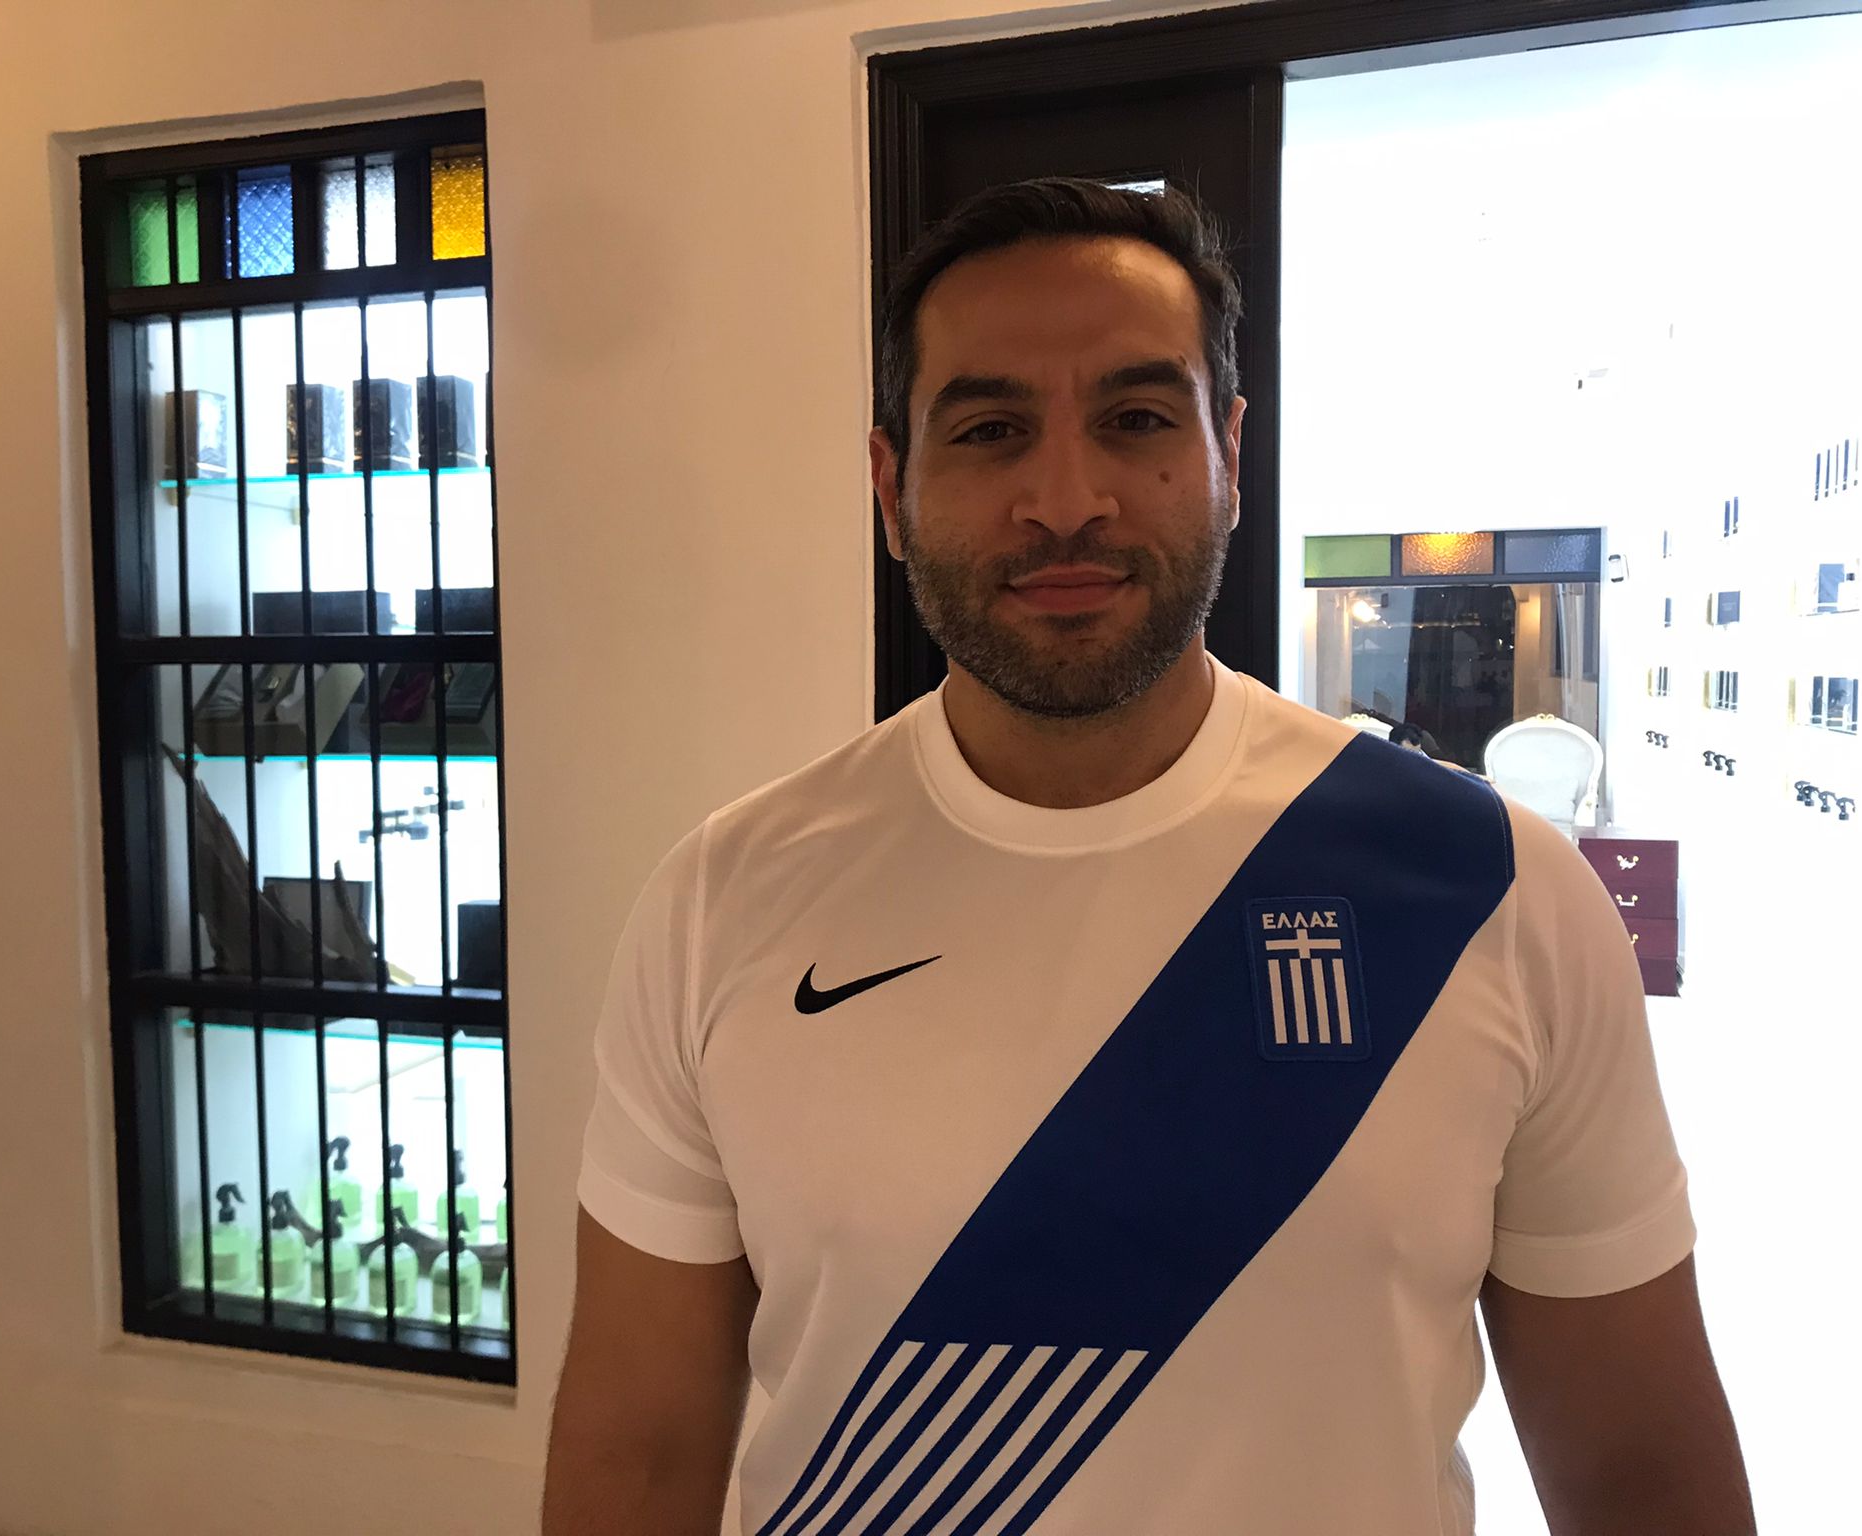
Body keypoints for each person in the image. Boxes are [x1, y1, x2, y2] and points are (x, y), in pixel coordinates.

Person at [542, 178, 1754, 1535]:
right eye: (992, 429)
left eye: (1135, 419)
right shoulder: (722, 900)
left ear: (1230, 451)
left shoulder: (1499, 894)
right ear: (892, 487)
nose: (1068, 500)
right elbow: (635, 1462)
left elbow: (1646, 1478)